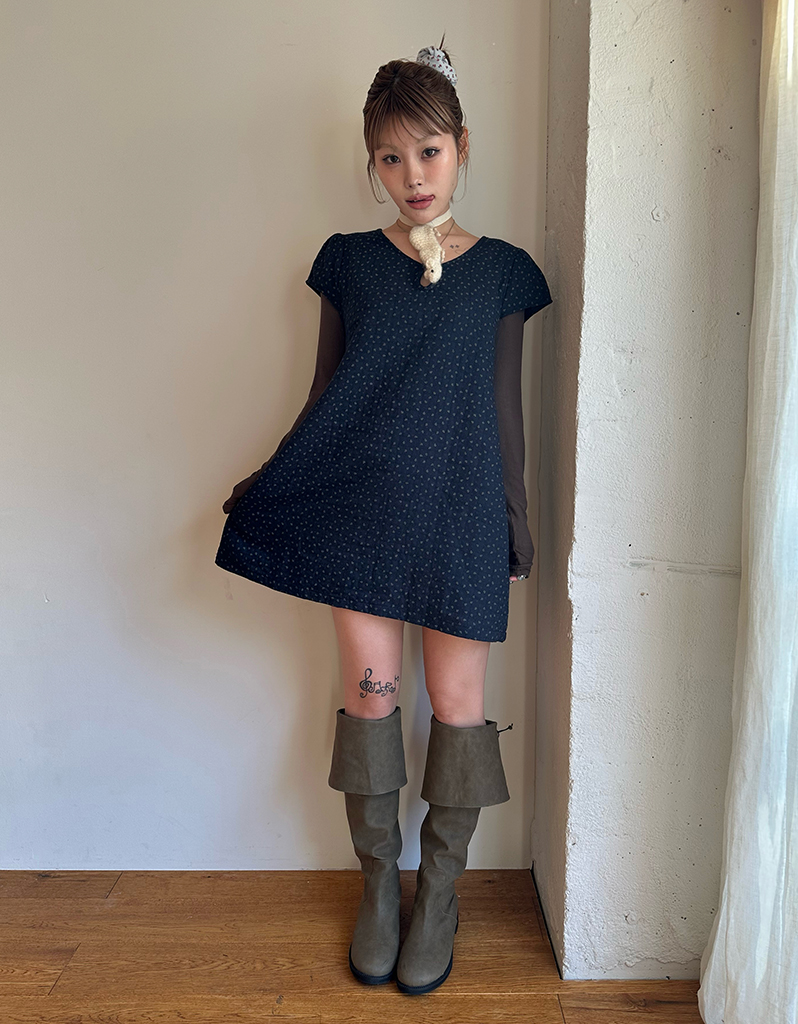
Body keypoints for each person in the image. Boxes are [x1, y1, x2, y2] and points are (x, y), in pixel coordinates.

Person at [215, 37, 552, 996]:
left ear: (462, 146)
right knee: (370, 699)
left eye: (429, 152)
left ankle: (437, 893)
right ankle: (378, 886)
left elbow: (503, 411)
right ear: (372, 163)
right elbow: (325, 395)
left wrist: (515, 515)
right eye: (391, 158)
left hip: (461, 523)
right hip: (357, 518)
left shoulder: (504, 272)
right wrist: (271, 480)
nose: (413, 175)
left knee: (458, 709)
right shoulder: (349, 263)